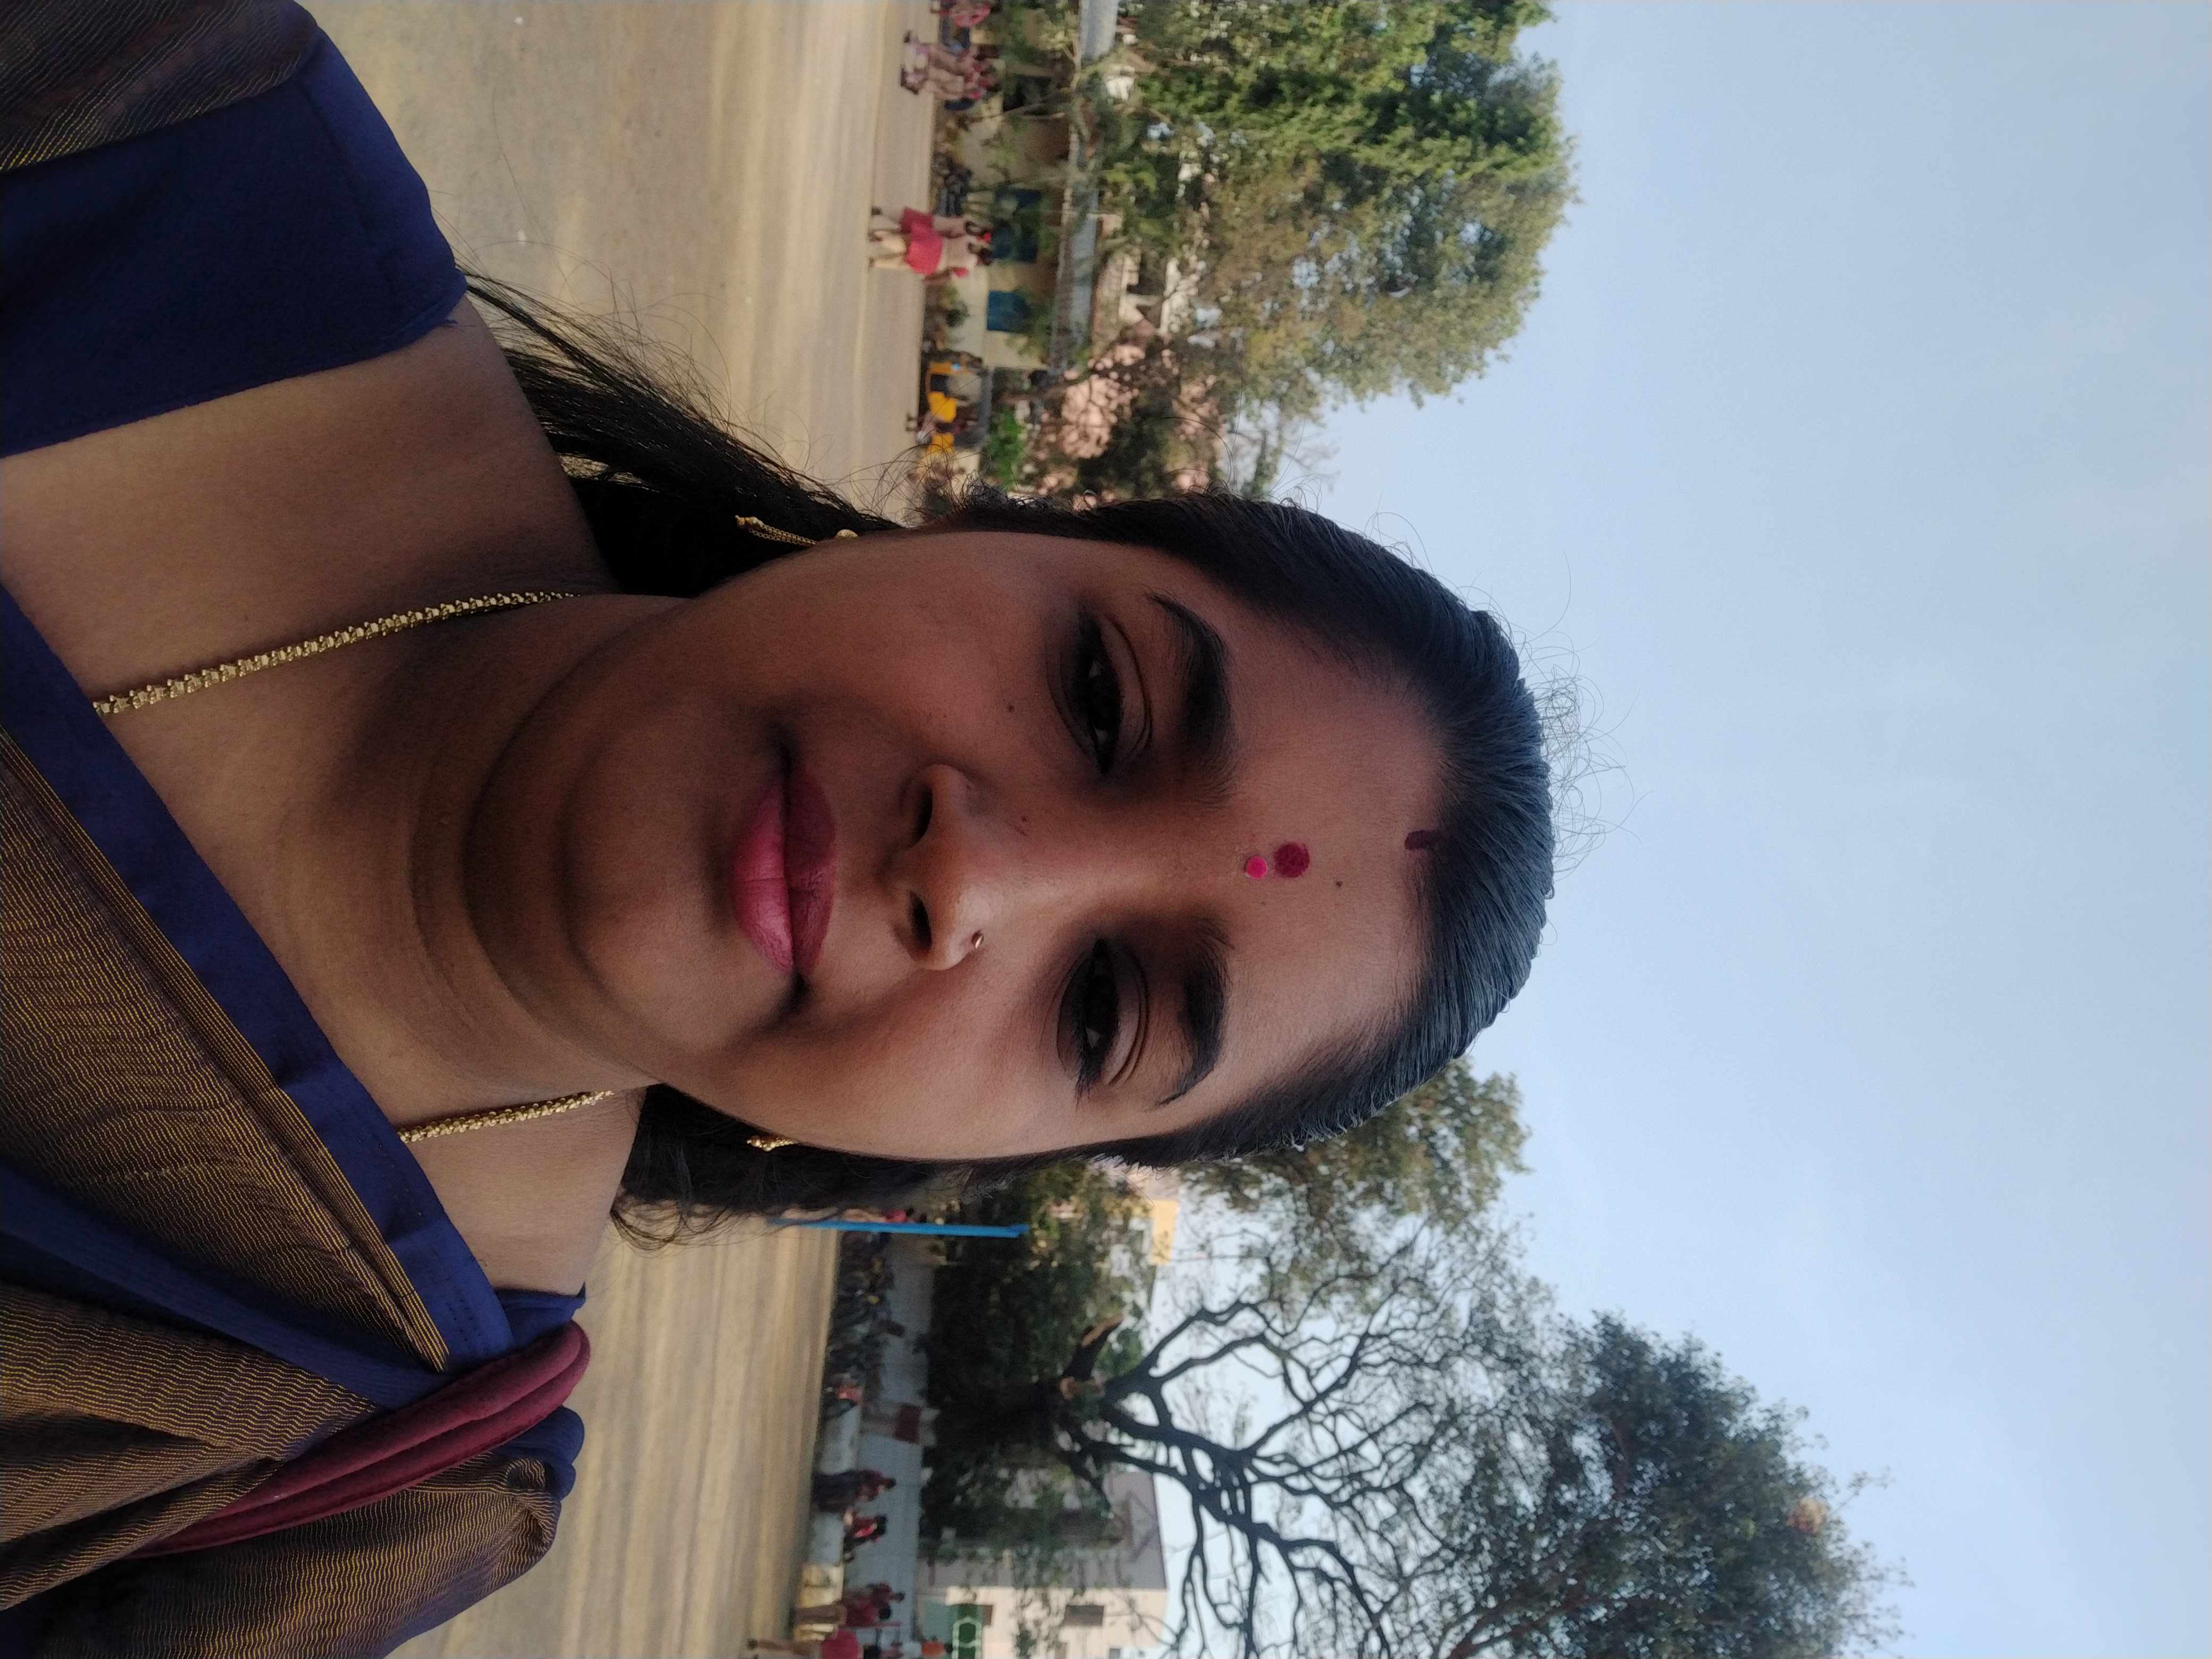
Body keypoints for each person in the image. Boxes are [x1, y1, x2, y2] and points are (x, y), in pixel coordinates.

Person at [1, 1, 1555, 1652]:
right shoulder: (168, 129)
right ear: (979, 527)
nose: (973, 874)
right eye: (1100, 700)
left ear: (987, 1155)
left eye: (1102, 1008)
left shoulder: (361, 1490)